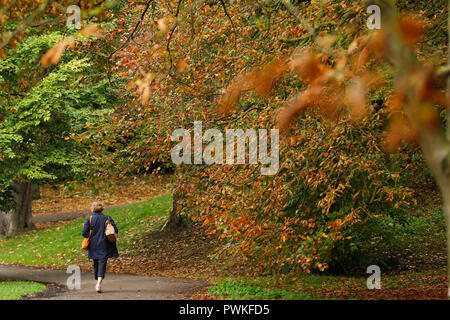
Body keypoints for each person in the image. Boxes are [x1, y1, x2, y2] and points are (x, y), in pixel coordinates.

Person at [82, 201, 119, 293]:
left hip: (93, 245)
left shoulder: (89, 219)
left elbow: (84, 233)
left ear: (92, 208)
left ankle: (97, 281)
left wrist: (91, 233)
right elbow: (116, 230)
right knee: (102, 262)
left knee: (96, 263)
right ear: (102, 208)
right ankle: (99, 283)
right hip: (105, 244)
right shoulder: (107, 218)